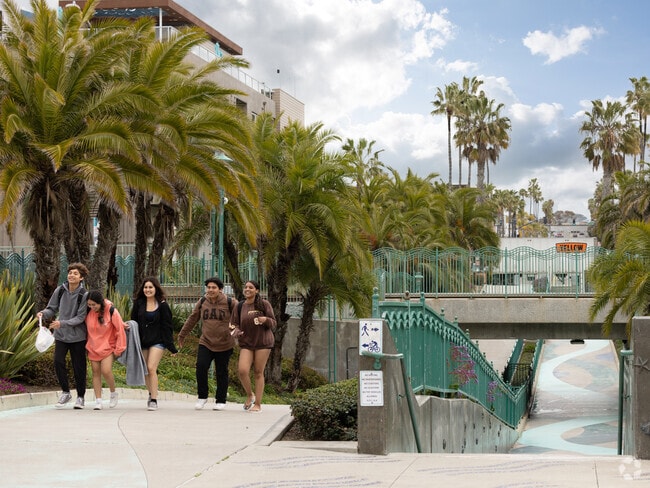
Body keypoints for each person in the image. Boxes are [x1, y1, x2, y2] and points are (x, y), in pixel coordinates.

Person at [36, 262, 90, 409]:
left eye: (75, 274)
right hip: (61, 336)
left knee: (79, 367)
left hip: (78, 337)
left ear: (81, 278)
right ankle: (66, 392)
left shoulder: (84, 295)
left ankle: (80, 397)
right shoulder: (60, 290)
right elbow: (51, 308)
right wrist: (43, 313)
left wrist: (62, 323)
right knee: (58, 361)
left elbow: (80, 318)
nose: (71, 275)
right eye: (70, 272)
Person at [178, 277, 235, 411]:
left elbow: (240, 317)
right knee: (201, 366)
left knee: (221, 371)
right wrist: (182, 334)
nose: (210, 290)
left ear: (220, 289)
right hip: (206, 341)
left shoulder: (230, 302)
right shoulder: (203, 301)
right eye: (208, 287)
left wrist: (239, 333)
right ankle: (202, 397)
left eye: (214, 287)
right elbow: (193, 318)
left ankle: (221, 400)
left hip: (224, 343)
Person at [130, 276, 177, 411]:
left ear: (156, 288)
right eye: (145, 287)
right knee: (145, 369)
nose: (148, 290)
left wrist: (171, 347)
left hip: (158, 341)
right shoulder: (139, 303)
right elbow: (134, 321)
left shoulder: (162, 305)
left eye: (150, 287)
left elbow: (167, 326)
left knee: (151, 368)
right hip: (143, 341)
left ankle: (154, 400)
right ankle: (151, 393)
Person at [230, 280, 276, 413]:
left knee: (258, 372)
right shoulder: (239, 306)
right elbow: (232, 325)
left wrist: (265, 320)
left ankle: (258, 404)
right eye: (246, 287)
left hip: (263, 343)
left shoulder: (264, 304)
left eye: (251, 287)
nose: (247, 289)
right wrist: (238, 333)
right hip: (247, 343)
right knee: (243, 370)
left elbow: (273, 323)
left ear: (257, 290)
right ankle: (250, 395)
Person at [85, 290, 127, 410]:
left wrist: (119, 348)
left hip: (108, 347)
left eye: (94, 305)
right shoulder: (88, 311)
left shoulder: (111, 311)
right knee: (95, 372)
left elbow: (119, 329)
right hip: (93, 347)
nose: (92, 307)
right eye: (90, 305)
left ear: (100, 303)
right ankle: (98, 400)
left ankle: (113, 393)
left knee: (106, 370)